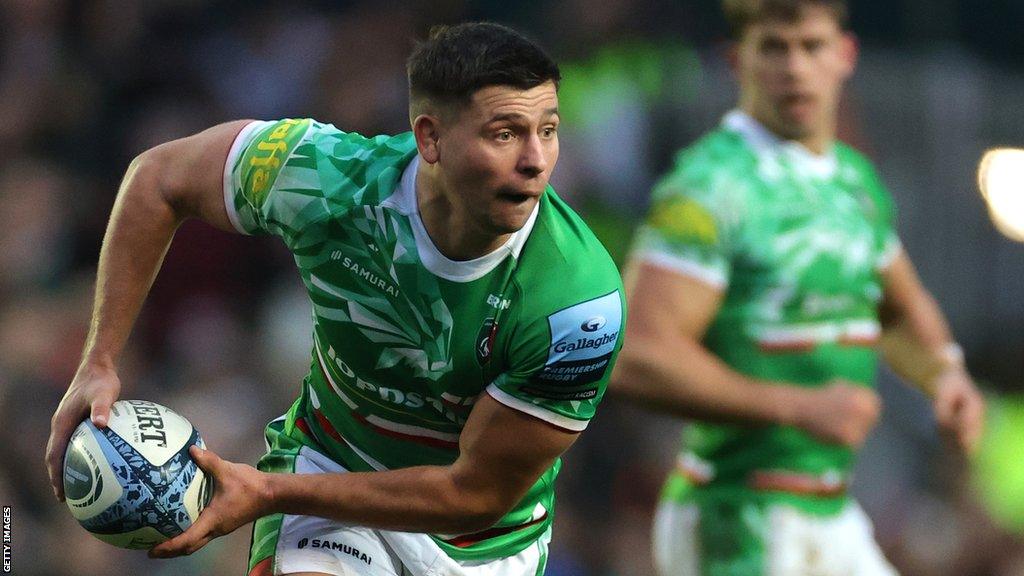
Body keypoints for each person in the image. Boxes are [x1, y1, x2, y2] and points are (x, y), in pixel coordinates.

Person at [45, 22, 625, 576]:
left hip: (484, 545)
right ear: (431, 138)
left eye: (548, 129)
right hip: (330, 468)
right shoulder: (326, 177)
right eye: (505, 133)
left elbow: (471, 494)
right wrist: (99, 361)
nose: (536, 160)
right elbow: (158, 180)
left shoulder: (576, 305)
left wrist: (267, 490)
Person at [610, 1, 986, 575]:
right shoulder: (709, 190)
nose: (795, 68)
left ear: (845, 55)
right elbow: (637, 359)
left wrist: (945, 371)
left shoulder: (852, 181)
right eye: (773, 47)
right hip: (737, 516)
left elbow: (899, 310)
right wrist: (799, 407)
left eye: (811, 46)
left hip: (829, 511)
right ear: (737, 61)